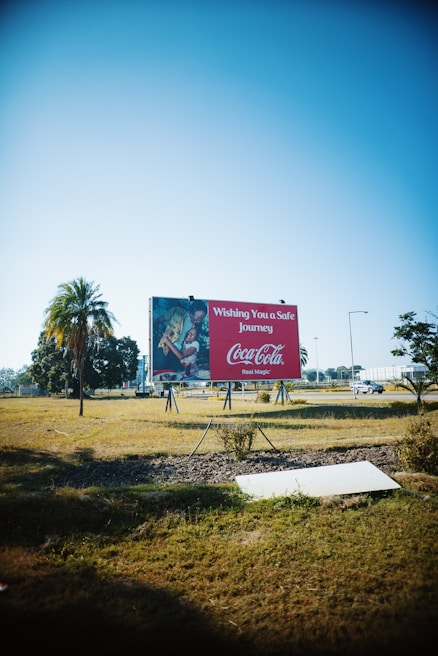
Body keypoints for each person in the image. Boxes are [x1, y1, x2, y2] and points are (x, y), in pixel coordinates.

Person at [153, 299, 207, 373]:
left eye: (201, 319)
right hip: (165, 348)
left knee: (171, 376)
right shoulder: (177, 311)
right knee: (158, 374)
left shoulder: (194, 328)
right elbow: (159, 320)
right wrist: (162, 333)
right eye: (199, 318)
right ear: (195, 310)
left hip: (177, 355)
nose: (199, 321)